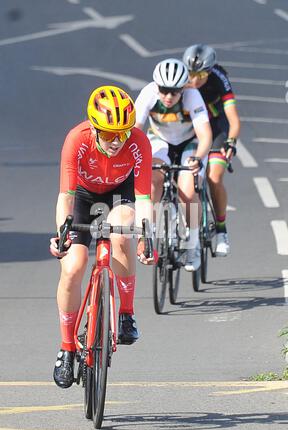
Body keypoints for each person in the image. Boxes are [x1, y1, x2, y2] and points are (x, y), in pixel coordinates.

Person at [50, 85, 154, 389]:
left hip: (120, 194)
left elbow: (145, 198)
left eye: (122, 133)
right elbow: (65, 197)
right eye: (108, 134)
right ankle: (67, 347)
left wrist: (148, 237)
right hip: (82, 197)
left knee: (123, 232)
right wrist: (63, 234)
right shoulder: (77, 139)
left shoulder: (138, 143)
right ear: (94, 128)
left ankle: (126, 313)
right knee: (73, 267)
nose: (116, 141)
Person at [135, 58, 212, 272]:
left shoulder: (192, 95)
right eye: (164, 90)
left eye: (174, 92)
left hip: (190, 143)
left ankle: (193, 246)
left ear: (183, 88)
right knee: (153, 180)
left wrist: (198, 158)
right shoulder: (149, 93)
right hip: (161, 141)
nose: (168, 97)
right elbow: (136, 130)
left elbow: (205, 135)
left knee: (187, 191)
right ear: (157, 86)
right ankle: (151, 234)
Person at [183, 44, 241, 256]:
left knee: (214, 177)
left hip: (216, 125)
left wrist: (231, 141)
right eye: (191, 74)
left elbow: (233, 119)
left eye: (200, 75)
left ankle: (221, 230)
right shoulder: (181, 79)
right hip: (191, 127)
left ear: (209, 70)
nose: (195, 80)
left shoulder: (219, 79)